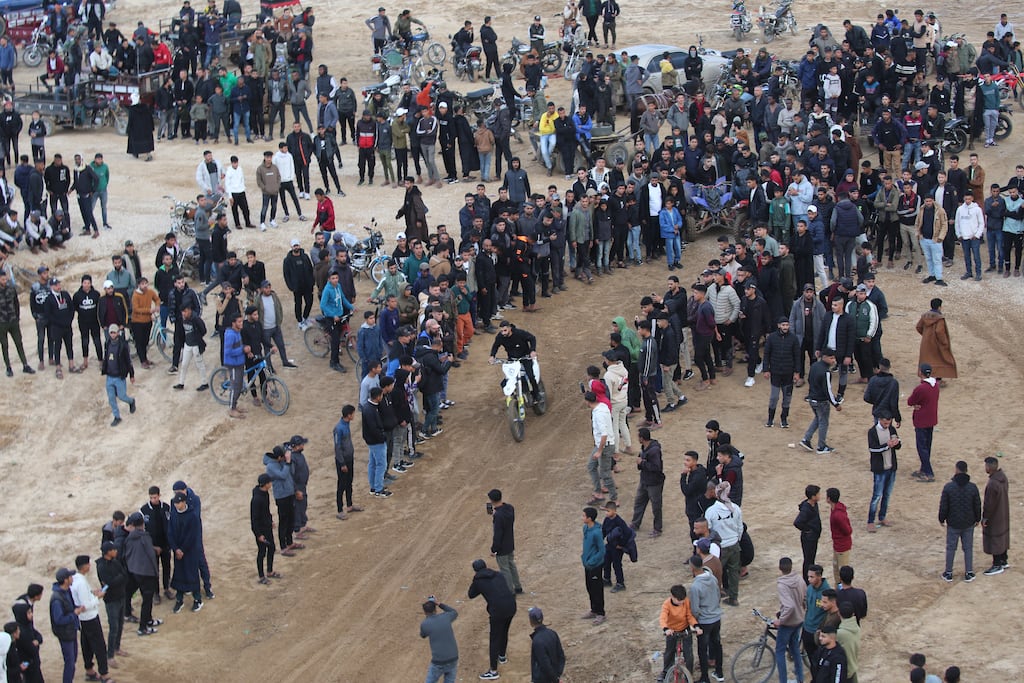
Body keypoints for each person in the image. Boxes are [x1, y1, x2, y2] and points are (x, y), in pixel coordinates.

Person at [467, 558, 516, 681]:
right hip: (511, 605)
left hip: (498, 611)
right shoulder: (498, 574)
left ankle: (493, 671)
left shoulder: (478, 580)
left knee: (494, 639)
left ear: (475, 570)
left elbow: (471, 594)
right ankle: (502, 656)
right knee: (504, 631)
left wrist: (475, 580)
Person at [69, 555, 111, 683]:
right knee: (99, 646)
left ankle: (89, 670)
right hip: (90, 618)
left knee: (86, 644)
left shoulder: (76, 579)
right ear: (85, 566)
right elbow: (85, 605)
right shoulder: (81, 582)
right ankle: (104, 675)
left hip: (83, 619)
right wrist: (98, 597)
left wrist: (92, 593)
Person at [938, 460, 982, 583]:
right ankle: (969, 572)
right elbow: (977, 505)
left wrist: (941, 518)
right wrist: (977, 518)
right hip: (968, 522)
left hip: (953, 523)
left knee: (951, 548)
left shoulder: (948, 487)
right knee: (968, 548)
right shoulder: (973, 487)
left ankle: (948, 572)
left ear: (956, 470)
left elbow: (944, 506)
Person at [122, 512, 160, 636]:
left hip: (134, 571)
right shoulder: (145, 537)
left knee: (143, 598)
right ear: (142, 524)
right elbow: (151, 555)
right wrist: (155, 573)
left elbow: (127, 555)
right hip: (147, 573)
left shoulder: (129, 538)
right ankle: (143, 627)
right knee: (147, 600)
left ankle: (147, 620)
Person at [799, 347, 843, 454]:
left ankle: (806, 439)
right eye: (831, 358)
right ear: (824, 357)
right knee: (823, 422)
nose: (834, 360)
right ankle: (821, 446)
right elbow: (828, 390)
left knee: (818, 419)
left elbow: (809, 380)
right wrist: (836, 404)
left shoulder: (814, 366)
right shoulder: (826, 372)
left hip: (812, 398)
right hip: (821, 401)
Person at [705, 481, 743, 606]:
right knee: (733, 572)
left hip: (720, 547)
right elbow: (740, 528)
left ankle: (715, 597)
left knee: (715, 573)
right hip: (734, 544)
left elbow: (708, 529)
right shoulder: (735, 508)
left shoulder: (711, 511)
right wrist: (737, 540)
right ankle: (734, 597)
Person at [687, 554, 723, 683]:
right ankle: (719, 672)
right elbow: (718, 594)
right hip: (716, 617)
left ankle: (704, 678)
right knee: (717, 644)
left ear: (692, 568)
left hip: (704, 621)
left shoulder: (695, 587)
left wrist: (694, 621)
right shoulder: (712, 578)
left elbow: (695, 609)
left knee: (702, 649)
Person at [167, 492, 204, 613]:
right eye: (175, 503)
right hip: (178, 551)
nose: (177, 505)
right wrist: (175, 548)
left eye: (179, 503)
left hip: (189, 552)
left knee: (192, 574)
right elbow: (170, 533)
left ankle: (197, 599)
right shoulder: (173, 515)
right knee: (179, 574)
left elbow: (192, 536)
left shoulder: (192, 516)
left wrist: (182, 549)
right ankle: (179, 600)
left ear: (184, 502)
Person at [773, 557, 807, 683]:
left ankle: (783, 680)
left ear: (780, 568)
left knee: (780, 651)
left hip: (788, 623)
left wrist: (781, 620)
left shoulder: (782, 585)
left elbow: (789, 606)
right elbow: (805, 597)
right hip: (799, 620)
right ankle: (800, 678)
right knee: (795, 649)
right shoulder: (799, 579)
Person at [95, 541, 127, 669]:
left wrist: (117, 579)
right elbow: (110, 582)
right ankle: (110, 655)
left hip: (120, 596)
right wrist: (118, 579)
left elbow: (124, 575)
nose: (116, 551)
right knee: (114, 627)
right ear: (108, 552)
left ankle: (116, 648)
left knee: (120, 625)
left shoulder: (115, 561)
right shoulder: (102, 566)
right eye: (113, 549)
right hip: (111, 599)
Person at [763, 316, 800, 427]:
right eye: (783, 325)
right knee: (774, 397)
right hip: (775, 373)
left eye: (787, 325)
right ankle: (770, 419)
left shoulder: (793, 339)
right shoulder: (772, 338)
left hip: (788, 373)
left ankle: (784, 419)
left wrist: (797, 372)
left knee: (787, 399)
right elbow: (766, 354)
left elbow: (797, 356)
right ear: (779, 325)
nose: (785, 327)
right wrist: (766, 369)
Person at [867, 411, 901, 532]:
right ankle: (870, 521)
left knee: (887, 494)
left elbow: (898, 445)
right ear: (880, 420)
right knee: (877, 496)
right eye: (885, 423)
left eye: (889, 422)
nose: (887, 425)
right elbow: (873, 449)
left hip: (891, 467)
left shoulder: (891, 429)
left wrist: (896, 443)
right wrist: (887, 446)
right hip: (880, 469)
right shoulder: (872, 432)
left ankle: (882, 517)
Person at [584, 391, 617, 507]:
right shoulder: (602, 407)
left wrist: (599, 451)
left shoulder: (598, 414)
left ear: (587, 402)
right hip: (602, 445)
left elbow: (604, 434)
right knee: (591, 466)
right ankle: (598, 492)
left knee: (605, 473)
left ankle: (614, 499)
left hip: (604, 446)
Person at [658, 584, 696, 682]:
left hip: (685, 629)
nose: (681, 602)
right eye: (679, 600)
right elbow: (663, 618)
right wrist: (666, 629)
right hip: (672, 631)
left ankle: (689, 674)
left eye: (683, 600)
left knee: (689, 654)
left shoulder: (686, 601)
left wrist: (695, 626)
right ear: (672, 597)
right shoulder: (667, 604)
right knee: (669, 652)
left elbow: (689, 615)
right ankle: (665, 671)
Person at [332, 404, 365, 519]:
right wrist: (342, 463)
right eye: (353, 413)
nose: (354, 415)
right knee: (341, 485)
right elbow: (337, 447)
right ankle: (340, 509)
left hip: (349, 458)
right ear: (349, 415)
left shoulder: (345, 425)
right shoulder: (339, 428)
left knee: (349, 482)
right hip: (343, 461)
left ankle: (349, 505)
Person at [631, 426, 664, 537]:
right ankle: (635, 523)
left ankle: (657, 529)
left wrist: (642, 463)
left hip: (654, 483)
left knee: (656, 506)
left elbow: (656, 467)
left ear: (642, 438)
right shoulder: (646, 447)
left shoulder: (654, 451)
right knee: (639, 502)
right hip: (645, 480)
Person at [50, 567, 82, 683]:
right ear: (65, 580)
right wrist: (74, 614)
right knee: (70, 661)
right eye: (70, 577)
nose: (72, 578)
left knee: (72, 659)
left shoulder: (66, 591)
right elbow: (59, 619)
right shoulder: (57, 599)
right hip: (65, 633)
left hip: (71, 630)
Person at [487, 489, 522, 594]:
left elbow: (498, 535)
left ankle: (510, 591)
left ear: (492, 500)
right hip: (510, 543)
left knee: (505, 569)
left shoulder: (498, 516)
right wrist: (496, 514)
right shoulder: (509, 508)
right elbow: (505, 520)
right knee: (511, 565)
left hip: (502, 547)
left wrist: (494, 549)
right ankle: (518, 587)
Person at [100, 323, 135, 427]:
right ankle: (117, 416)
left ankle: (131, 401)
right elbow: (106, 357)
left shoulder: (123, 345)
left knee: (122, 396)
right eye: (111, 332)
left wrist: (131, 375)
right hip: (110, 376)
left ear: (118, 333)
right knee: (111, 398)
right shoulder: (107, 343)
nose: (112, 334)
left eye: (114, 332)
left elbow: (128, 361)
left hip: (119, 376)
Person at [916, 299, 957, 386]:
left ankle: (926, 378)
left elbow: (918, 327)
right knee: (939, 360)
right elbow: (939, 332)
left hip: (925, 343)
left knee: (927, 360)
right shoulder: (939, 318)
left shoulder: (925, 316)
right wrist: (944, 342)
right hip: (936, 344)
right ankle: (938, 380)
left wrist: (925, 336)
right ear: (939, 307)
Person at [0, 269, 34, 376]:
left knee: (19, 343)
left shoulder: (11, 289)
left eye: (5, 278)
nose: (5, 281)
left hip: (13, 321)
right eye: (3, 279)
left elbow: (16, 304)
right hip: (2, 323)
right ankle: (8, 367)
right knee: (4, 345)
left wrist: (17, 317)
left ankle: (25, 365)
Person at [420, 596, 459, 683]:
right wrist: (439, 603)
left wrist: (428, 618)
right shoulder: (446, 617)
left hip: (438, 662)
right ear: (435, 609)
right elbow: (454, 612)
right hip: (453, 658)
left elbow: (423, 635)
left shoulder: (425, 624)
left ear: (425, 612)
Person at [982, 456, 1010, 575]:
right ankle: (1004, 560)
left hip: (995, 516)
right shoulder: (1003, 477)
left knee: (995, 538)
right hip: (1003, 512)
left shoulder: (992, 483)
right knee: (1002, 536)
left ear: (989, 467)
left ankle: (997, 564)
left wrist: (985, 517)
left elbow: (989, 504)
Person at [600, 500, 634, 593]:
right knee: (606, 562)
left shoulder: (620, 522)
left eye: (608, 511)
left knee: (617, 565)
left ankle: (620, 583)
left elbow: (627, 533)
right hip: (609, 545)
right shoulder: (607, 520)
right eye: (606, 511)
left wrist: (621, 545)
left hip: (617, 548)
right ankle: (607, 579)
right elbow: (603, 531)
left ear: (614, 511)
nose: (606, 513)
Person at [251, 473, 279, 585]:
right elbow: (254, 519)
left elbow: (266, 511)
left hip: (267, 527)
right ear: (265, 484)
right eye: (269, 482)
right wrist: (259, 535)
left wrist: (270, 520)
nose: (271, 484)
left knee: (271, 548)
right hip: (261, 531)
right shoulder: (257, 499)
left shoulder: (265, 494)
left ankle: (270, 571)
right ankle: (261, 576)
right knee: (262, 552)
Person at [581, 506, 606, 625]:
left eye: (584, 515)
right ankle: (594, 609)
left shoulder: (597, 532)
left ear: (589, 518)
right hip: (587, 565)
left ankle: (600, 613)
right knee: (589, 587)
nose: (582, 517)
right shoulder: (585, 528)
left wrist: (592, 561)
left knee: (597, 589)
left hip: (595, 566)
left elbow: (602, 551)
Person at [527, 607, 565, 683]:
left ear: (531, 622)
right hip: (554, 674)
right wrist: (558, 674)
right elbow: (561, 656)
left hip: (543, 678)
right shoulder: (552, 633)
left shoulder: (537, 641)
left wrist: (555, 680)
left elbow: (545, 664)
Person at [794, 485, 823, 583]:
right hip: (808, 538)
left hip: (813, 537)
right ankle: (807, 580)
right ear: (813, 496)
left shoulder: (814, 504)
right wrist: (807, 530)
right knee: (808, 560)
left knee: (811, 558)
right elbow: (797, 522)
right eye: (818, 494)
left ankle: (810, 578)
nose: (820, 496)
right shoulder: (806, 509)